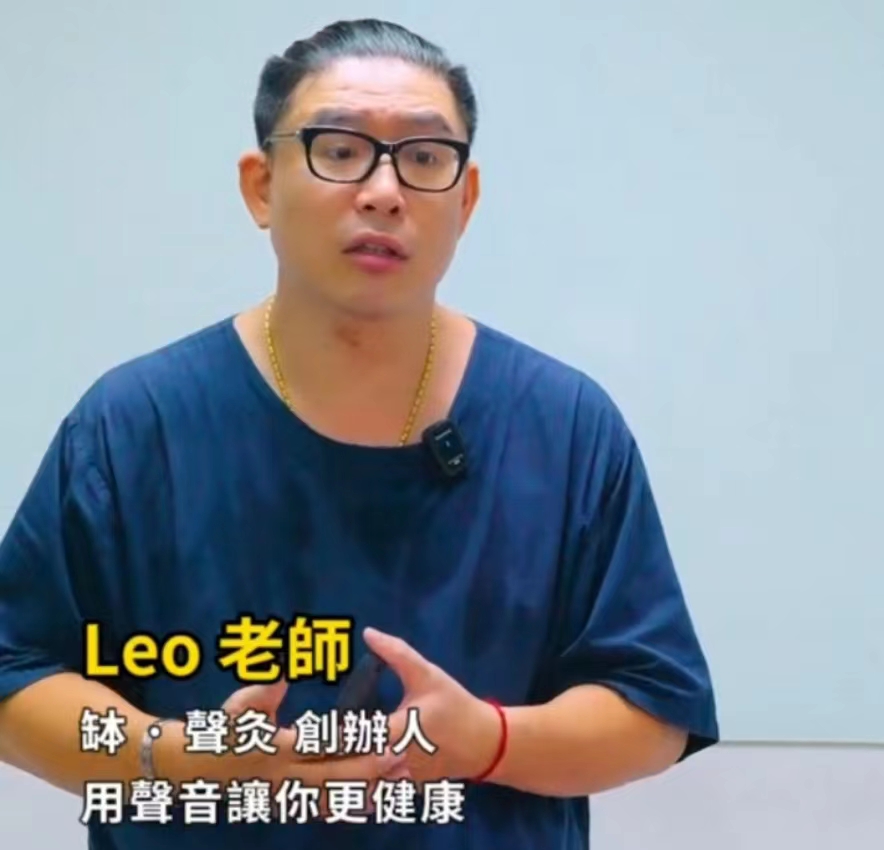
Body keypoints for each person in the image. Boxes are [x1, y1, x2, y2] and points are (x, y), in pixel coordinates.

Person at [0, 17, 718, 850]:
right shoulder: (135, 423)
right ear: (261, 186)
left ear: (465, 200)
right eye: (339, 150)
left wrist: (488, 741)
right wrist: (182, 759)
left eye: (423, 157)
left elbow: (652, 708)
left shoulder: (564, 426)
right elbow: (14, 672)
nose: (383, 191)